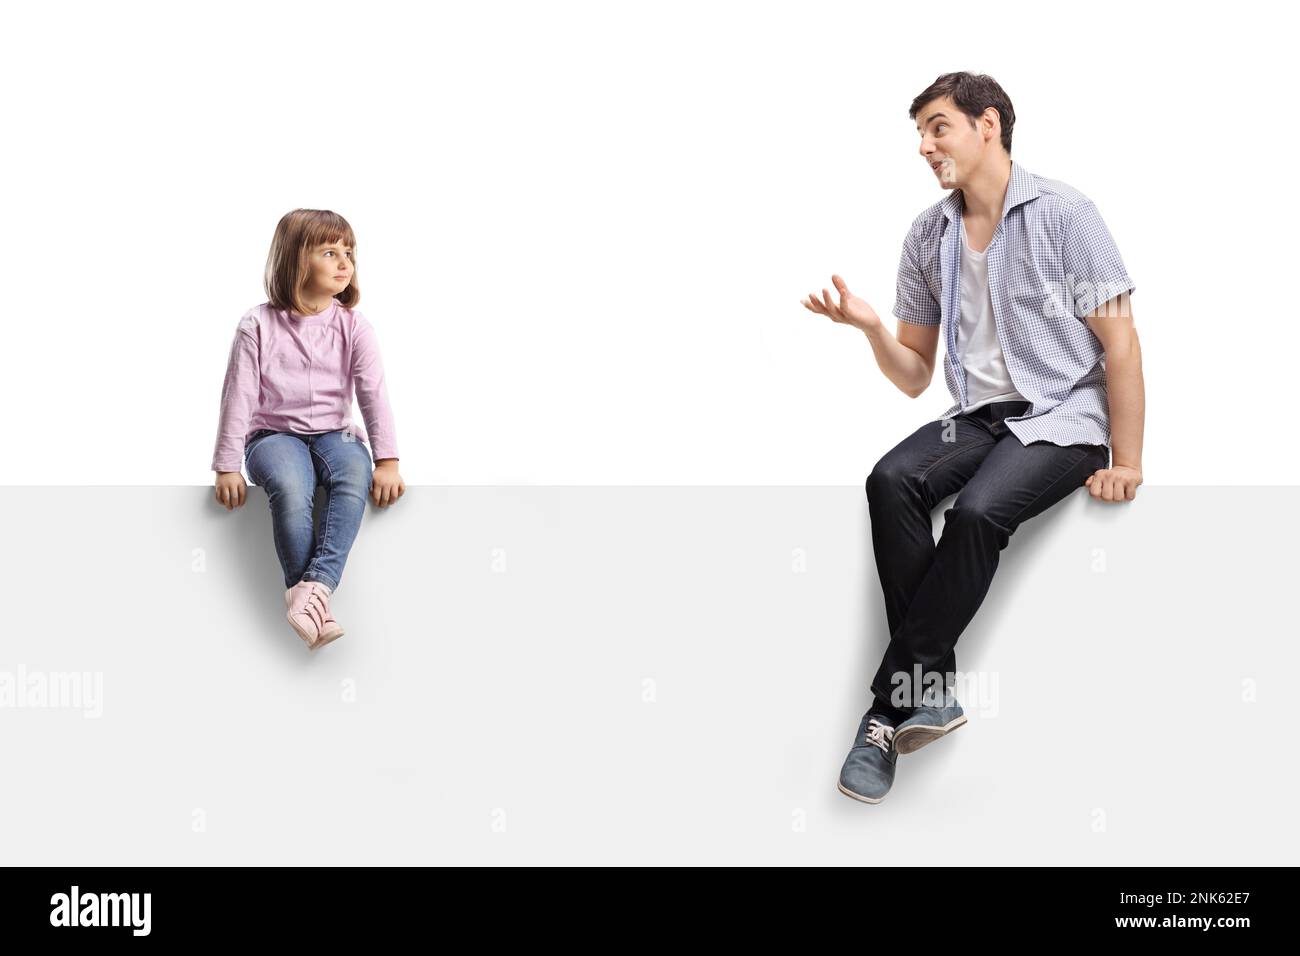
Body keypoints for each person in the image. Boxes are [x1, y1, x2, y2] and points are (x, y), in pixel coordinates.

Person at [801, 73, 1145, 803]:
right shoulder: (929, 235)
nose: (925, 146)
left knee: (978, 513)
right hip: (979, 417)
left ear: (988, 124)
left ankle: (888, 712)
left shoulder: (1067, 214)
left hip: (1062, 416)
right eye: (920, 133)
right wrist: (869, 329)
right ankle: (932, 692)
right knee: (892, 478)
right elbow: (914, 375)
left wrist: (1129, 461)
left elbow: (1121, 343)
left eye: (937, 127)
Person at [211, 208, 406, 650]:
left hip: (335, 435)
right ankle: (314, 599)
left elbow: (373, 394)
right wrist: (227, 465)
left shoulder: (354, 326)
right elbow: (237, 396)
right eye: (330, 252)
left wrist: (388, 459)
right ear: (297, 260)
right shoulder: (256, 325)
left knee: (354, 475)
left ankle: (311, 591)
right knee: (291, 485)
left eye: (349, 254)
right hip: (272, 435)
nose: (345, 264)